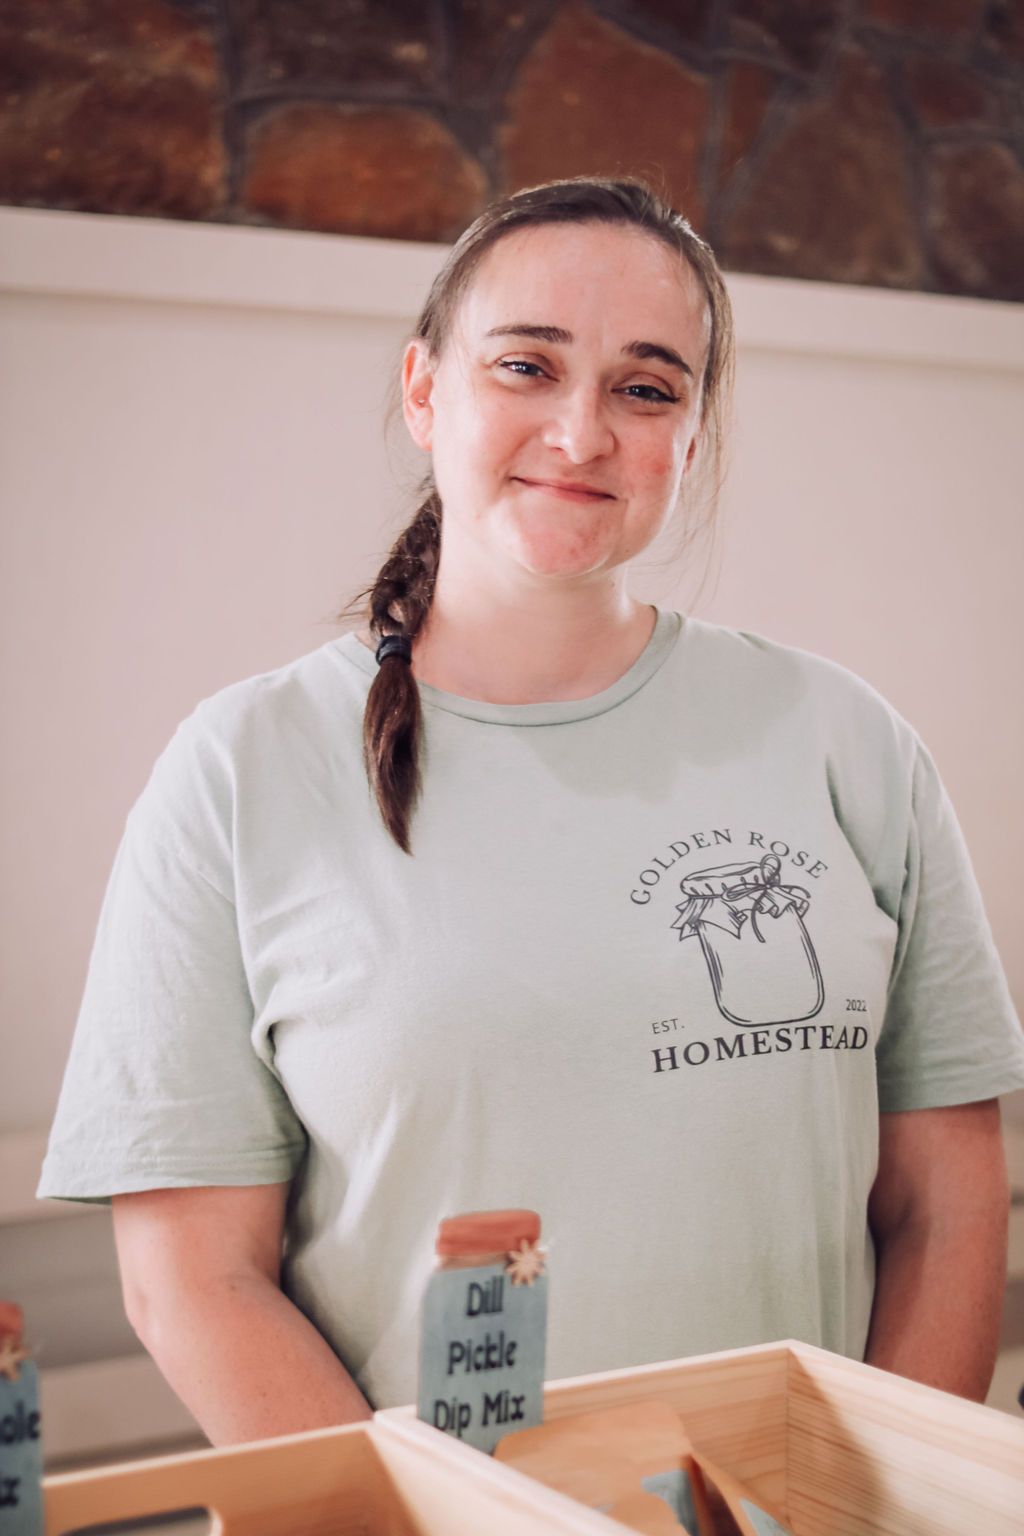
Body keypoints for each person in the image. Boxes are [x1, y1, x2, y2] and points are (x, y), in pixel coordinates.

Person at [37, 177, 1024, 1447]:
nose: (581, 432)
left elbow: (945, 1207)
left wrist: (882, 1504)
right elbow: (189, 1281)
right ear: (424, 391)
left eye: (646, 386)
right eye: (526, 367)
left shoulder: (846, 742)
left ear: (692, 433)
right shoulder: (239, 769)